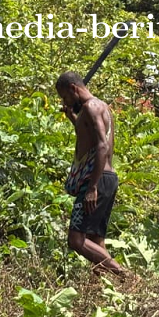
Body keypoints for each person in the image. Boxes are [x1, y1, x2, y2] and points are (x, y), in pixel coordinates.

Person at [56, 71, 126, 277]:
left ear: (73, 89)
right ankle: (105, 288)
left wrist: (92, 188)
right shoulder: (98, 107)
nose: (65, 101)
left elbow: (102, 146)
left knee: (76, 240)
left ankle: (125, 275)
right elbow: (89, 136)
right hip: (106, 178)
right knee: (96, 240)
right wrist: (73, 119)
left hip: (96, 179)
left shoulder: (91, 106)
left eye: (65, 97)